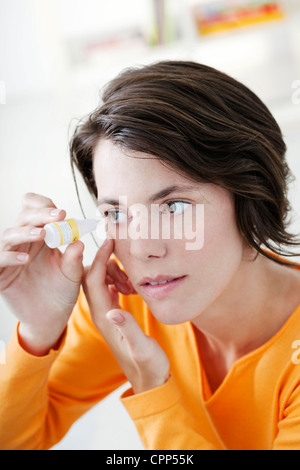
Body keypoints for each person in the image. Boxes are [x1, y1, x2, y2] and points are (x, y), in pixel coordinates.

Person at [0, 60, 300, 450]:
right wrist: (38, 334)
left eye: (173, 206)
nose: (142, 249)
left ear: (251, 194)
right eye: (117, 214)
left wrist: (151, 388)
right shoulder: (128, 301)